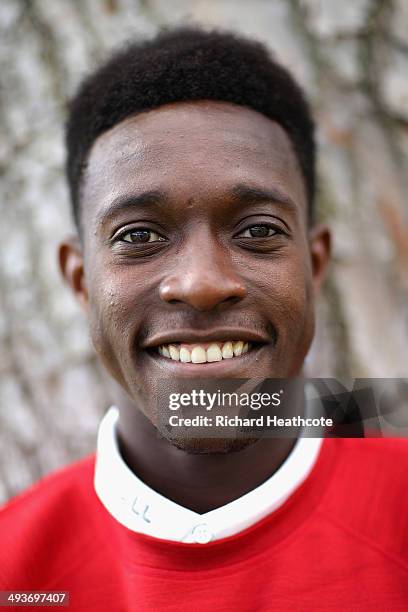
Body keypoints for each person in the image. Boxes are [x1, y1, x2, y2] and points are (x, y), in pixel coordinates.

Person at [0, 27, 407, 611]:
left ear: (313, 266)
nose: (202, 284)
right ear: (80, 280)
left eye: (259, 231)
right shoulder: (14, 568)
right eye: (138, 236)